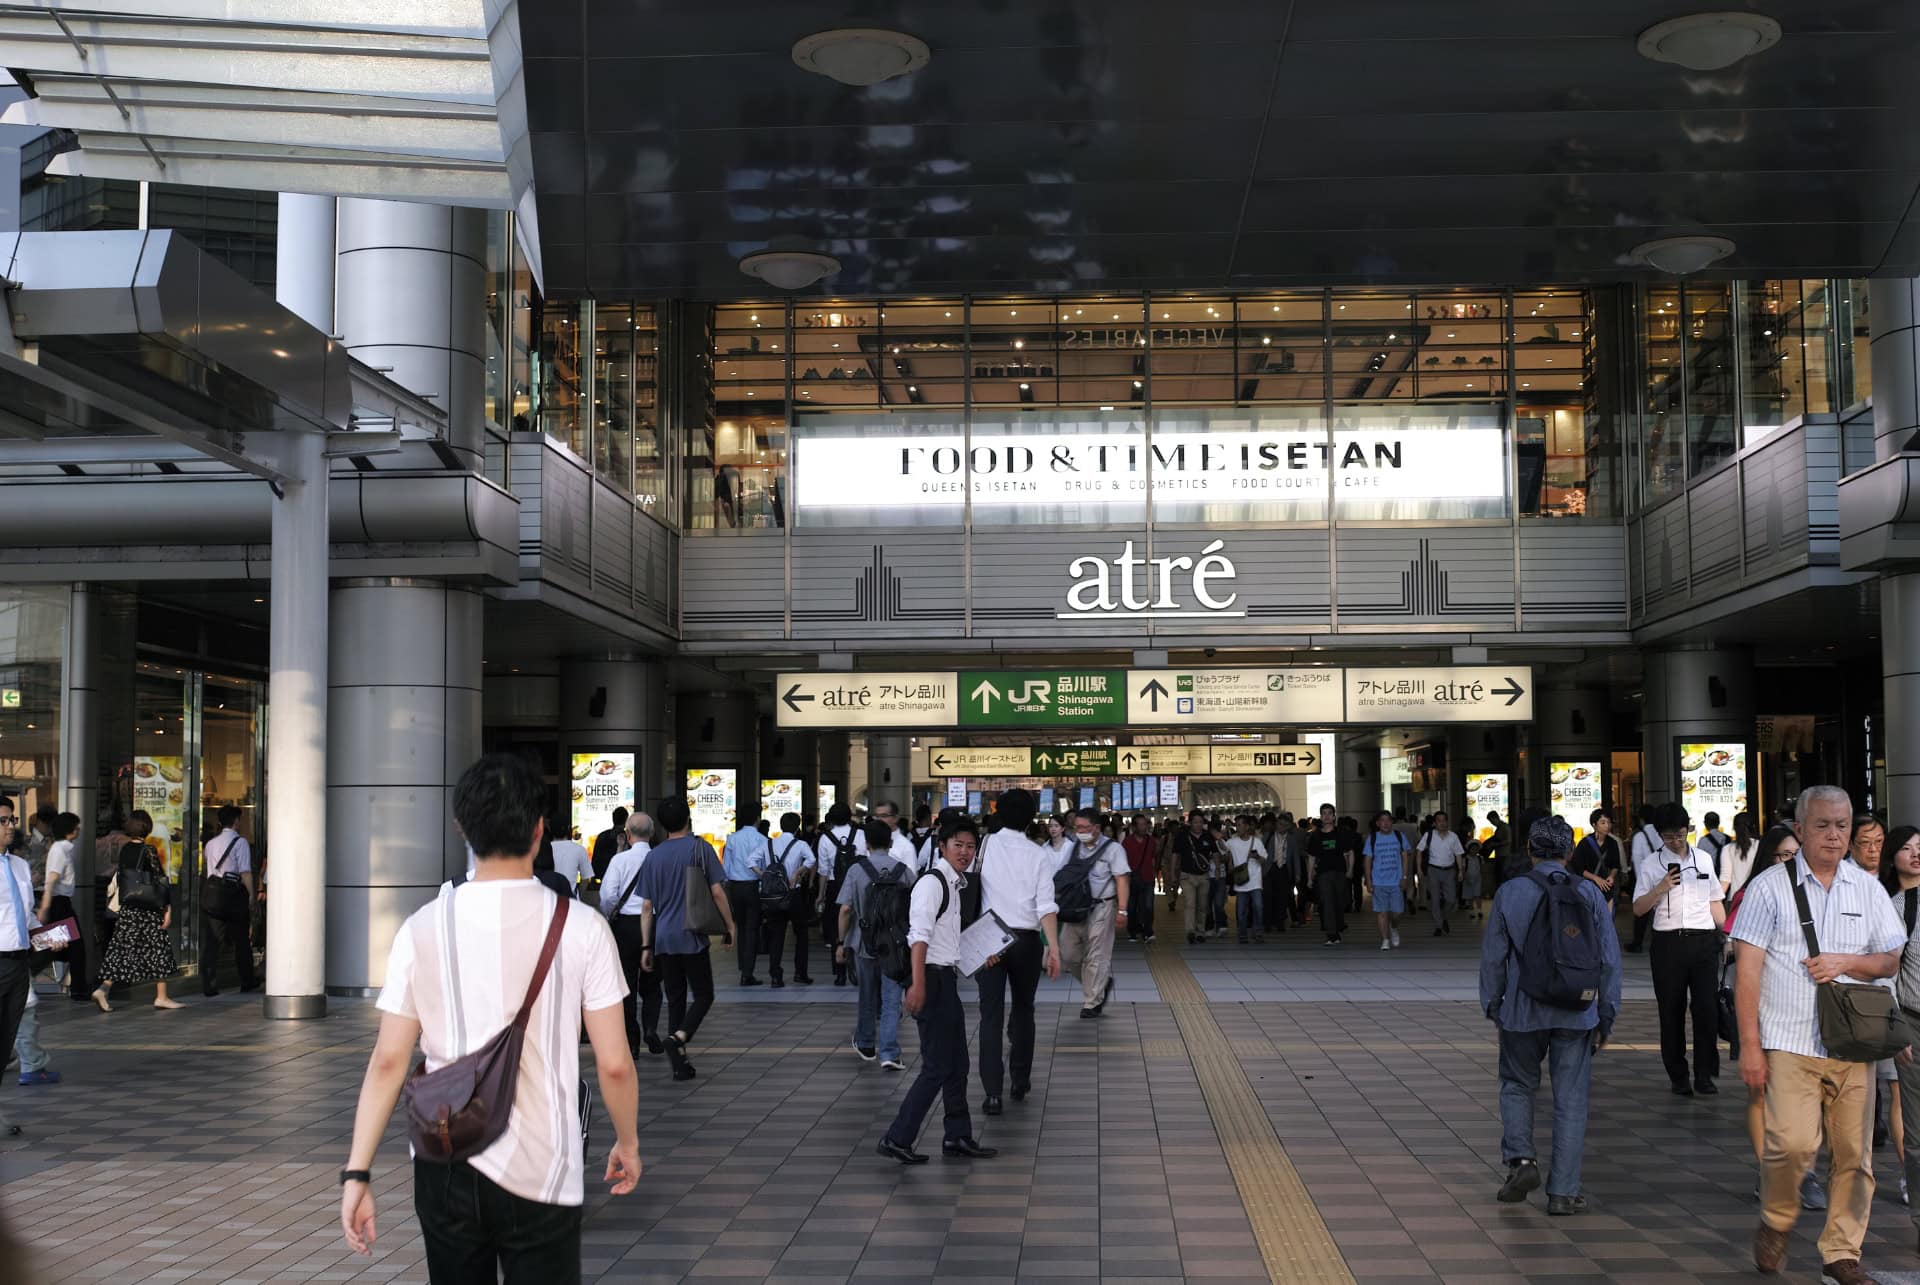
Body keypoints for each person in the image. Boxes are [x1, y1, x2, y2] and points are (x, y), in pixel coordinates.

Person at [337, 752, 640, 1280]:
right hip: (544, 1166)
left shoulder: (422, 927)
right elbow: (614, 1063)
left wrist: (356, 1172)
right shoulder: (583, 928)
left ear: (463, 829)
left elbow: (389, 1060)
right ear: (540, 829)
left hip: (444, 1156)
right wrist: (627, 1141)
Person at [1735, 785, 1904, 1285]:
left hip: (1855, 1042)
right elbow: (1747, 971)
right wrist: (1749, 1046)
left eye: (1843, 826)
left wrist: (1845, 962)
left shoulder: (1866, 888)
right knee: (1789, 1144)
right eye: (1824, 826)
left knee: (1854, 1156)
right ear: (1801, 828)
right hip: (1789, 1039)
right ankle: (1778, 1218)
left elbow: (1890, 957)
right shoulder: (1769, 887)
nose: (1835, 836)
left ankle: (1841, 1252)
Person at [1479, 816, 1620, 1215]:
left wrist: (1493, 1003)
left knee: (1517, 1083)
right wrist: (1606, 1011)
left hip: (1523, 1009)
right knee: (1571, 1099)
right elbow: (1609, 960)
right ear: (1570, 852)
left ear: (1528, 849)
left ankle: (1522, 1160)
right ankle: (1563, 1192)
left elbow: (1494, 956)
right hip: (1577, 1010)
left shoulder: (1510, 893)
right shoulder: (1590, 894)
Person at [877, 814, 997, 1165]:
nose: (965, 851)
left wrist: (976, 957)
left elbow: (945, 941)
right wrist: (917, 985)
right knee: (937, 1065)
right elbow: (919, 938)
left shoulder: (956, 884)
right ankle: (897, 1137)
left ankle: (957, 1136)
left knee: (957, 1062)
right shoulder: (932, 884)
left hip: (944, 979)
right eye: (957, 845)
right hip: (930, 979)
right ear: (941, 846)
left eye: (971, 846)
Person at [973, 788, 1062, 1116]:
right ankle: (1019, 1081)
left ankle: (992, 1093)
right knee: (1024, 1009)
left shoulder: (983, 846)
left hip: (988, 938)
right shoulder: (1038, 853)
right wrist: (1052, 947)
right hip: (1025, 940)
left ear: (998, 813)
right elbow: (1046, 906)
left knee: (990, 1015)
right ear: (1030, 818)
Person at [635, 795, 736, 1082]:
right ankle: (680, 1036)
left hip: (664, 938)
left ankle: (680, 1063)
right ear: (688, 819)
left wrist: (646, 945)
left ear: (662, 827)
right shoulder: (700, 849)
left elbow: (646, 907)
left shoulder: (653, 856)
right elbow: (717, 892)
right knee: (704, 994)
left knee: (675, 997)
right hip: (691, 934)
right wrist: (731, 925)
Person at [1632, 802, 1727, 1096]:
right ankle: (1678, 1075)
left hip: (1703, 941)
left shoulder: (1703, 859)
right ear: (1660, 834)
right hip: (1668, 944)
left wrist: (1727, 937)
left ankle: (1704, 1075)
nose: (1675, 841)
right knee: (1670, 1011)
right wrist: (1660, 888)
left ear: (1688, 829)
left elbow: (1715, 900)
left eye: (1680, 834)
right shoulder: (1651, 864)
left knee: (1706, 1010)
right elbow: (1637, 909)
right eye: (1668, 836)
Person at [3, 798, 69, 1105]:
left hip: (18, 960)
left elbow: (24, 913)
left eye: (11, 820)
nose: (9, 827)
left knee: (13, 1030)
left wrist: (45, 938)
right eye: (2, 821)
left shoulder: (17, 865)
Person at [92, 812, 182, 1012]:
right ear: (147, 828)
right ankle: (162, 996)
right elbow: (160, 881)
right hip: (147, 909)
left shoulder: (125, 850)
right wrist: (168, 909)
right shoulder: (148, 850)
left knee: (121, 950)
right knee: (159, 950)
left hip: (129, 907)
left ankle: (103, 988)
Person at [838, 819, 907, 1070]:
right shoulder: (902, 870)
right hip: (895, 946)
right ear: (890, 843)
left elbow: (845, 909)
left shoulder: (857, 871)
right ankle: (889, 1052)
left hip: (863, 943)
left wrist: (840, 942)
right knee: (891, 998)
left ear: (866, 844)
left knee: (866, 994)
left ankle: (866, 1043)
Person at [1051, 808, 1129, 1017]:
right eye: (1077, 828)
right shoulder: (1073, 847)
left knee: (1096, 955)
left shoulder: (1113, 849)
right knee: (1068, 955)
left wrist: (1123, 910)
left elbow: (1122, 879)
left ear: (1096, 827)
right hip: (1074, 908)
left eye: (1084, 827)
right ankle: (1100, 984)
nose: (1080, 831)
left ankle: (1092, 1002)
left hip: (1102, 907)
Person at [600, 812, 658, 1057]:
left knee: (626, 983)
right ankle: (651, 1030)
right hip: (655, 924)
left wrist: (611, 915)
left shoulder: (619, 860)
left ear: (628, 833)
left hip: (625, 925)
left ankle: (632, 1041)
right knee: (653, 984)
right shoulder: (659, 858)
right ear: (652, 833)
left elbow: (607, 895)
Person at [199, 805, 258, 997]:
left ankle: (209, 984)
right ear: (236, 822)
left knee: (212, 942)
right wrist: (251, 895)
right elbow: (245, 872)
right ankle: (246, 981)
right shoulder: (240, 843)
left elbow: (209, 871)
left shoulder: (210, 844)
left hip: (213, 896)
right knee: (241, 940)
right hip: (233, 896)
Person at [35, 811, 85, 999]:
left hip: (60, 903)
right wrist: (45, 908)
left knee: (59, 946)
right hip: (59, 904)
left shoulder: (63, 848)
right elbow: (52, 879)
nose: (79, 830)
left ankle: (78, 989)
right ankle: (79, 990)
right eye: (76, 826)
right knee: (73, 947)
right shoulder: (59, 849)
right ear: (70, 830)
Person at [763, 813, 815, 987]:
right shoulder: (800, 844)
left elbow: (750, 860)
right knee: (801, 933)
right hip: (794, 894)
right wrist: (798, 872)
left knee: (776, 935)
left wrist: (764, 876)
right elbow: (812, 860)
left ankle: (775, 976)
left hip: (774, 896)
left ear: (781, 825)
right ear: (797, 827)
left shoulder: (769, 843)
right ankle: (801, 973)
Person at [720, 811, 769, 986]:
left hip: (735, 887)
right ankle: (748, 972)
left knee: (741, 927)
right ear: (757, 819)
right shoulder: (762, 839)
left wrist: (726, 886)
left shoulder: (732, 838)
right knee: (752, 929)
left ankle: (743, 966)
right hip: (753, 886)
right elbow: (764, 864)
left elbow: (726, 864)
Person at [816, 803, 860, 986]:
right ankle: (858, 970)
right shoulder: (861, 834)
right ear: (850, 816)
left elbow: (823, 871)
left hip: (835, 886)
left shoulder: (825, 839)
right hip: (858, 884)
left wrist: (820, 895)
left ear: (831, 819)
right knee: (858, 926)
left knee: (837, 929)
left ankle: (840, 973)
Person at [1303, 804, 1358, 946]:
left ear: (1334, 816)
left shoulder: (1341, 833)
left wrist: (1350, 870)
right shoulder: (1315, 836)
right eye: (1324, 814)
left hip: (1340, 872)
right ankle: (1331, 934)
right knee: (1327, 902)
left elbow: (1350, 852)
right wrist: (1309, 877)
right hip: (1323, 874)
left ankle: (1338, 926)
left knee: (1340, 902)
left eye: (1329, 813)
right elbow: (1311, 858)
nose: (1327, 816)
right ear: (1320, 817)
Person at [1364, 810, 1412, 951]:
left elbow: (1405, 858)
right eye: (1382, 821)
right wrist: (1369, 880)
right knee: (1382, 912)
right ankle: (1385, 939)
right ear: (1378, 824)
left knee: (1398, 912)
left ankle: (1394, 927)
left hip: (1396, 881)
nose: (1385, 823)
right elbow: (1367, 860)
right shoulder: (1372, 838)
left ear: (1392, 822)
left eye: (1388, 820)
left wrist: (1404, 877)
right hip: (1379, 882)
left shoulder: (1399, 836)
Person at [1419, 810, 1465, 936]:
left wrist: (1460, 870)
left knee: (1451, 899)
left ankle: (1444, 917)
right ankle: (1438, 925)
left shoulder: (1453, 836)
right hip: (1433, 870)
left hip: (1449, 871)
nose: (1442, 823)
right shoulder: (1429, 835)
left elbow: (1458, 854)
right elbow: (1419, 851)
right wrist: (1419, 869)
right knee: (1435, 899)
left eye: (1444, 821)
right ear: (1435, 823)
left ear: (1447, 822)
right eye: (1439, 821)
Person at [1172, 812, 1215, 945]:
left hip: (1204, 876)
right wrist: (1174, 873)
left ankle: (1200, 931)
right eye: (1195, 822)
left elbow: (1215, 853)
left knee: (1202, 905)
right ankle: (1190, 931)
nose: (1198, 824)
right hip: (1187, 875)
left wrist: (1218, 869)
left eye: (1200, 822)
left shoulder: (1208, 836)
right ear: (1190, 823)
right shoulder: (1182, 836)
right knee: (1190, 903)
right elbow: (1175, 855)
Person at [1570, 810, 1623, 910]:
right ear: (1594, 825)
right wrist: (1596, 878)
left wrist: (1612, 876)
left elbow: (1616, 865)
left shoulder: (1613, 843)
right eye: (1603, 822)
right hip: (1588, 887)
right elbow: (1578, 867)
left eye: (1609, 822)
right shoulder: (1584, 843)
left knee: (1608, 919)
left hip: (1606, 887)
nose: (1607, 825)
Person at [1225, 816, 1266, 945]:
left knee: (1258, 907)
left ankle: (1258, 933)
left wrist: (1256, 856)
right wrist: (1229, 863)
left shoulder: (1257, 842)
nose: (1238, 827)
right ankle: (1243, 934)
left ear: (1247, 826)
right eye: (1236, 825)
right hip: (1241, 882)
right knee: (1241, 911)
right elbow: (1225, 853)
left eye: (1240, 825)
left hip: (1255, 881)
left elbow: (1264, 859)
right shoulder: (1232, 842)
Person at [1626, 805, 1660, 952]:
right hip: (1661, 878)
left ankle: (1638, 943)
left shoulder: (1639, 836)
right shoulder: (1661, 833)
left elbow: (1637, 859)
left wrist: (1640, 880)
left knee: (1641, 912)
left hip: (1646, 878)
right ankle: (1658, 941)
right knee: (1660, 910)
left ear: (1641, 818)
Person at [1122, 815, 1157, 943]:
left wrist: (1155, 874)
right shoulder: (1127, 842)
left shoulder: (1151, 841)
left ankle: (1148, 931)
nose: (1143, 827)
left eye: (1145, 824)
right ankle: (1132, 931)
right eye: (1140, 825)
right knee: (1131, 907)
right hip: (1131, 879)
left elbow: (1154, 858)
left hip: (1148, 878)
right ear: (1134, 827)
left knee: (1148, 906)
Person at [1722, 811, 1761, 903]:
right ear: (1753, 827)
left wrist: (1715, 901)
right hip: (1758, 898)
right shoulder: (1761, 846)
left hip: (1735, 899)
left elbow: (1725, 879)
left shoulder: (1728, 849)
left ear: (1734, 828)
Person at [549, 820, 593, 891]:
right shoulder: (579, 849)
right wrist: (577, 896)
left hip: (549, 898)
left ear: (550, 829)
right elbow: (586, 879)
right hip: (571, 898)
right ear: (569, 828)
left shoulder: (544, 849)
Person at [591, 806, 629, 881]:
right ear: (626, 820)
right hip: (623, 878)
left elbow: (595, 861)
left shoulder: (602, 836)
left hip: (604, 877)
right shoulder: (628, 837)